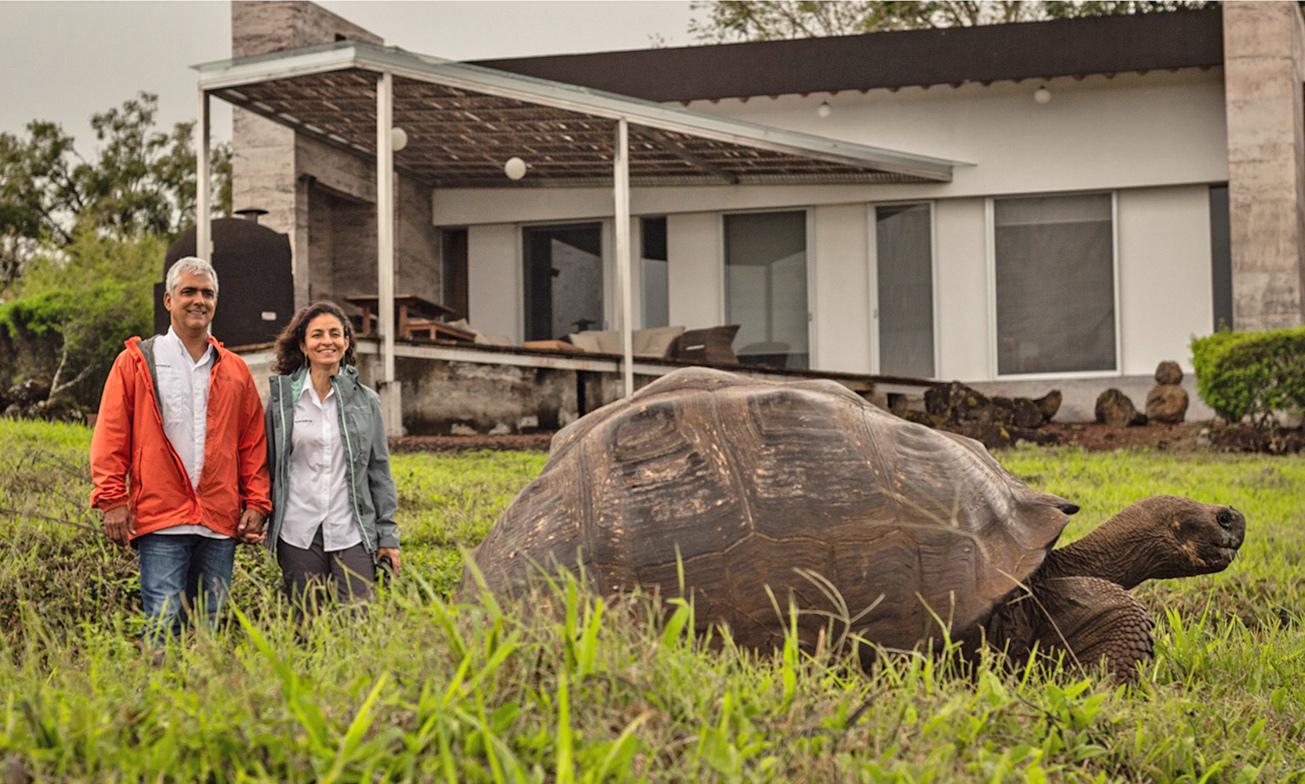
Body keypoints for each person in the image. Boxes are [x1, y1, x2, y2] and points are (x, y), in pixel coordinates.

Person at [90, 256, 271, 647]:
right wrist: (111, 499)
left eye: (207, 293)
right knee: (164, 618)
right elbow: (111, 434)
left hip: (219, 520)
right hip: (162, 518)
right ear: (169, 299)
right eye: (189, 291)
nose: (199, 301)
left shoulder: (235, 369)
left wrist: (256, 502)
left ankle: (201, 702)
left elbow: (251, 443)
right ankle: (159, 700)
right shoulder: (137, 362)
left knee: (209, 623)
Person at [261, 301, 400, 612]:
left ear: (346, 342)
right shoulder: (284, 400)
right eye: (317, 334)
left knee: (358, 623)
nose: (327, 341)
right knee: (308, 626)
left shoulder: (368, 402)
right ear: (303, 344)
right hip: (297, 531)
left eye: (335, 334)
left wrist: (388, 536)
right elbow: (266, 464)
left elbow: (380, 473)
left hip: (351, 530)